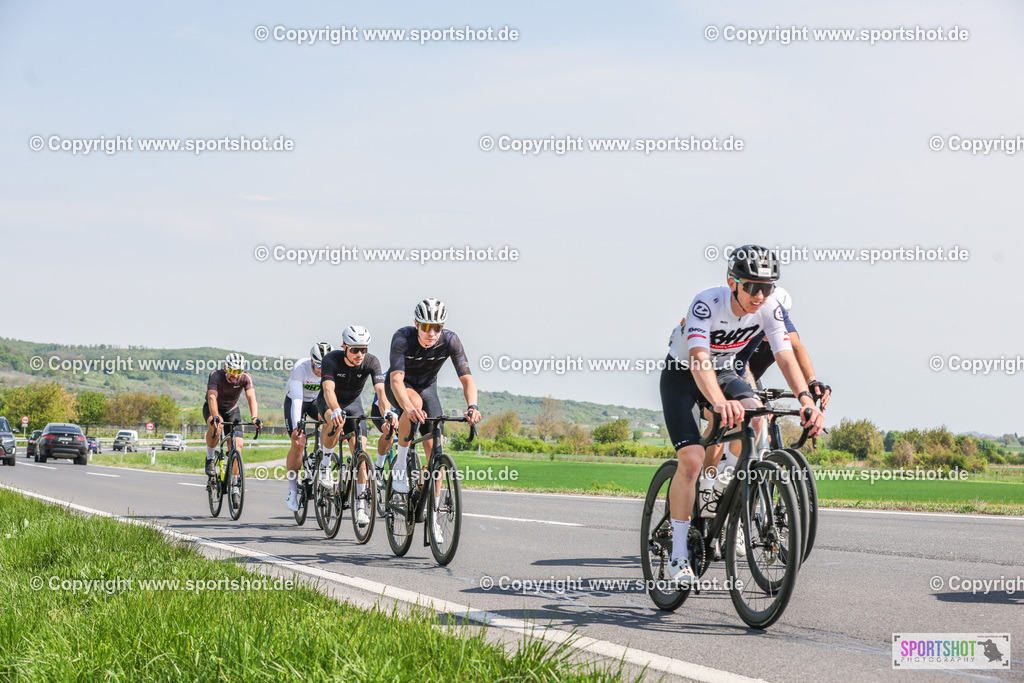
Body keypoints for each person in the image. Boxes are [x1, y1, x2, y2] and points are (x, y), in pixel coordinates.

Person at [660, 246, 824, 586]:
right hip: (683, 375)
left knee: (756, 415)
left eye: (767, 287)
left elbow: (785, 356)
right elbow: (699, 358)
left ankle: (725, 482)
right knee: (691, 460)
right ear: (733, 283)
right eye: (752, 287)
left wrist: (807, 399)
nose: (760, 295)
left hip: (725, 372)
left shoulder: (770, 307)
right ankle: (678, 554)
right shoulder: (707, 302)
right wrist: (719, 403)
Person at [386, 298, 482, 544]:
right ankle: (400, 464)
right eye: (427, 327)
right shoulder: (402, 338)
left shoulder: (451, 340)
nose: (432, 333)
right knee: (415, 404)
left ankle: (434, 515)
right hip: (400, 386)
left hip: (428, 388)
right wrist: (408, 408)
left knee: (435, 454)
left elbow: (467, 380)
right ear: (416, 324)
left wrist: (473, 406)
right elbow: (396, 380)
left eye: (437, 327)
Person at [315, 325, 391, 527]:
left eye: (363, 349)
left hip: (354, 405)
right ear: (344, 347)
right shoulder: (331, 359)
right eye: (355, 349)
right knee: (336, 422)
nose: (360, 354)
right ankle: (325, 466)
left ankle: (360, 508)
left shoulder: (371, 361)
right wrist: (335, 409)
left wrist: (387, 412)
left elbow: (380, 391)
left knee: (361, 455)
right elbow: (328, 389)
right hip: (330, 402)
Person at [283, 342, 331, 512]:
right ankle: (292, 487)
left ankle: (323, 462)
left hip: (317, 402)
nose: (321, 370)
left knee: (328, 423)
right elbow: (297, 400)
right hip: (297, 401)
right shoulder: (300, 368)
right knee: (298, 443)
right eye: (318, 366)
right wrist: (297, 425)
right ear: (311, 361)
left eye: (324, 366)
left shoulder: (332, 367)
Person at [203, 353, 261, 479]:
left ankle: (234, 483)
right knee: (217, 426)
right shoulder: (215, 376)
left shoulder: (245, 377)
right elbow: (212, 397)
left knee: (237, 446)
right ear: (226, 368)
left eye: (238, 371)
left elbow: (251, 398)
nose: (235, 375)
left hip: (232, 410)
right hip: (214, 408)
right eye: (232, 371)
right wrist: (215, 416)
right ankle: (210, 457)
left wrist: (254, 417)